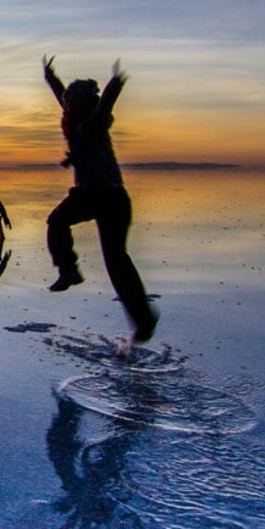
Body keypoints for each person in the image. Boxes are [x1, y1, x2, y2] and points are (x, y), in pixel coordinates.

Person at [41, 55, 158, 344]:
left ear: (83, 102)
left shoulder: (93, 122)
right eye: (66, 102)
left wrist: (114, 85)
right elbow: (62, 97)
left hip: (106, 196)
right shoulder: (75, 119)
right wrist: (50, 77)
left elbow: (105, 104)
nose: (66, 106)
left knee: (114, 259)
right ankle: (69, 270)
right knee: (62, 226)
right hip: (98, 195)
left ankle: (142, 321)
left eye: (72, 102)